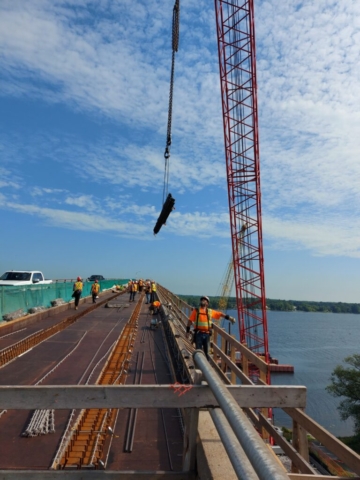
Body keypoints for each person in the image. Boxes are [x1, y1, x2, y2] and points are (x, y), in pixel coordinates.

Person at [186, 296, 235, 360]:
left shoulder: (209, 311)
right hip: (198, 334)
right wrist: (187, 331)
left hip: (207, 334)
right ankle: (198, 366)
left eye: (205, 300)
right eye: (202, 300)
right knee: (198, 352)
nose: (203, 301)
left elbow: (219, 314)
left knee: (207, 353)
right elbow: (190, 321)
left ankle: (206, 365)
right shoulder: (196, 310)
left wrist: (229, 318)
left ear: (207, 303)